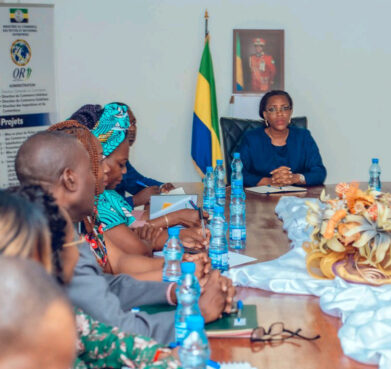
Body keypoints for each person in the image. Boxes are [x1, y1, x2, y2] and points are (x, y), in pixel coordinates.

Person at [14, 130, 231, 344]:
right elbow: (120, 330)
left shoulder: (58, 224)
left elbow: (106, 285)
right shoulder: (53, 240)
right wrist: (198, 314)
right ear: (70, 179)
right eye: (90, 169)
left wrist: (176, 291)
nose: (100, 174)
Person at [3, 185, 180, 369]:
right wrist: (175, 368)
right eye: (75, 242)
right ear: (46, 256)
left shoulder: (45, 303)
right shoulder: (26, 330)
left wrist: (156, 354)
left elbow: (102, 339)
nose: (82, 252)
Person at [69, 103, 205, 257]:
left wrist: (176, 221)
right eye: (120, 164)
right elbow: (135, 245)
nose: (124, 171)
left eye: (133, 123)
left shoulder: (108, 196)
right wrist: (173, 222)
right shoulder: (96, 203)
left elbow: (133, 223)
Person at [72, 103, 175, 207]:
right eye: (126, 124)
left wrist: (161, 187)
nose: (132, 129)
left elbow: (136, 182)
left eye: (133, 123)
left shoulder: (120, 162)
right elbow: (102, 208)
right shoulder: (91, 174)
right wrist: (134, 201)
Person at [237, 90, 327, 187]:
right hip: (260, 195)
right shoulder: (251, 139)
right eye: (272, 109)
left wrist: (296, 178)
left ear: (290, 112)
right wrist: (270, 181)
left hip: (297, 195)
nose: (279, 113)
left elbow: (319, 172)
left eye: (285, 108)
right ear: (265, 115)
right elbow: (238, 173)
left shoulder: (303, 137)